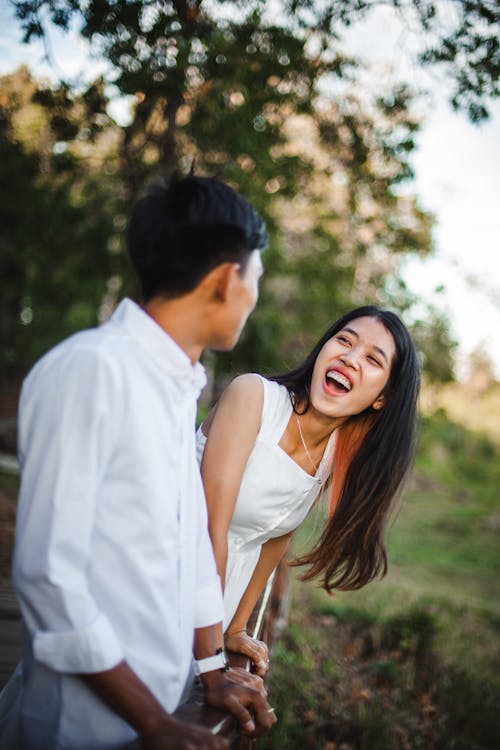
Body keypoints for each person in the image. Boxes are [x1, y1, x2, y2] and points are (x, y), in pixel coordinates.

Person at [0, 175, 277, 750]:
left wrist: (208, 673)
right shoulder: (93, 370)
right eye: (256, 279)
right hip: (79, 727)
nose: (253, 296)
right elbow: (47, 575)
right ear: (228, 280)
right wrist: (151, 720)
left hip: (164, 704)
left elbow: (192, 549)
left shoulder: (176, 388)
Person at [197, 306, 420, 675]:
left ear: (383, 397)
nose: (350, 358)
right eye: (344, 341)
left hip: (217, 602)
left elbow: (275, 536)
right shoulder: (252, 397)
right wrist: (208, 654)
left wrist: (236, 627)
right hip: (172, 572)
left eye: (372, 359)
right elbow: (208, 528)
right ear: (322, 351)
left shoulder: (334, 455)